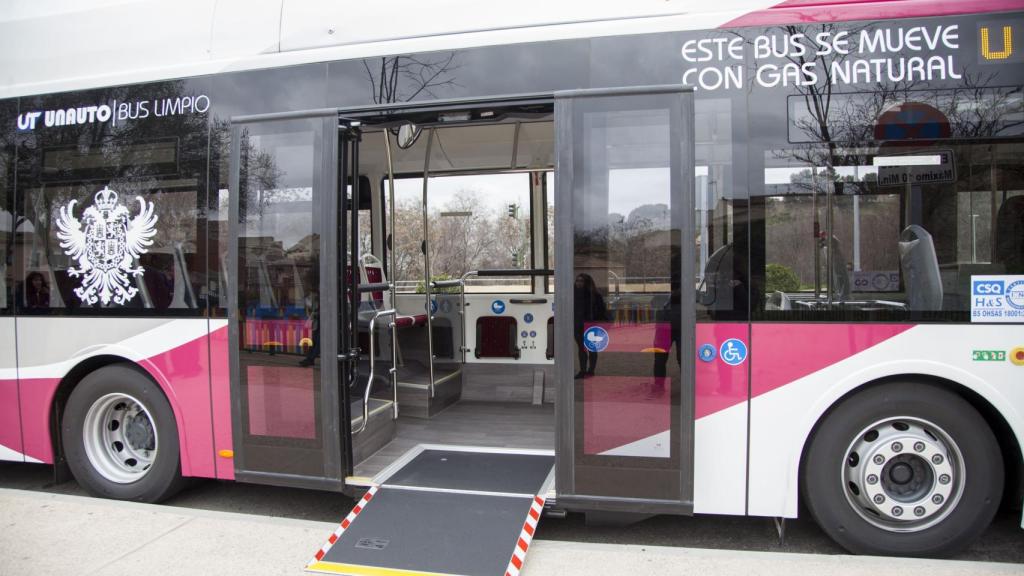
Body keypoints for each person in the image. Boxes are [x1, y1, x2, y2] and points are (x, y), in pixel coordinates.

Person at [573, 273, 607, 378]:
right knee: (581, 348)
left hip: (590, 325)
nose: (578, 283)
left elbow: (601, 311)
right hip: (577, 324)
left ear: (586, 283)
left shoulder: (595, 296)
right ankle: (583, 370)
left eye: (581, 281)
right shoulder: (572, 294)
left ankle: (591, 370)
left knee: (592, 348)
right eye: (577, 280)